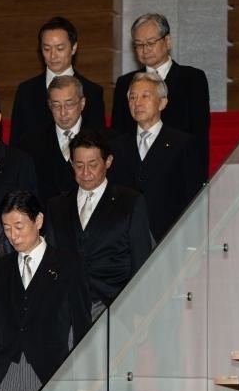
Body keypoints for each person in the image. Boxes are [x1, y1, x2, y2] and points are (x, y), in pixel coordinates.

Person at [0, 190, 91, 391]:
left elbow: (83, 328)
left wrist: (82, 383)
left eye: (19, 226)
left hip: (49, 371)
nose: (13, 235)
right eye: (6, 228)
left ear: (38, 220)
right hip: (7, 370)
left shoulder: (69, 265)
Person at [46, 129, 153, 317]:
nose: (85, 172)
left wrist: (139, 311)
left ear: (108, 162)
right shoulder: (57, 206)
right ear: (72, 164)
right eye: (79, 165)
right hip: (68, 307)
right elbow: (52, 261)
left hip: (116, 306)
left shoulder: (130, 202)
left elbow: (141, 260)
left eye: (93, 165)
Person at [109, 72, 206, 243]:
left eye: (145, 96)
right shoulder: (117, 146)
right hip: (125, 239)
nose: (137, 103)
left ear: (162, 103)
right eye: (132, 97)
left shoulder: (182, 143)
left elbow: (194, 196)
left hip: (170, 236)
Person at [111, 13, 210, 164]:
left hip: (177, 163)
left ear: (168, 41)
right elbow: (118, 134)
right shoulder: (125, 83)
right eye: (139, 45)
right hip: (135, 166)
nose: (145, 50)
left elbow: (199, 134)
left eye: (151, 43)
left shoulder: (192, 78)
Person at [9, 16, 106, 142]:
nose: (53, 55)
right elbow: (16, 142)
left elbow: (99, 142)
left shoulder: (92, 91)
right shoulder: (26, 91)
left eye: (60, 48)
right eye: (46, 49)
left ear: (74, 48)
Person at [15, 75, 96, 203]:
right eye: (56, 105)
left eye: (69, 104)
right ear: (49, 105)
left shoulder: (105, 139)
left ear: (82, 103)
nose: (63, 112)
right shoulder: (29, 144)